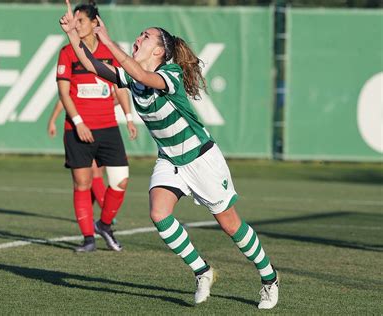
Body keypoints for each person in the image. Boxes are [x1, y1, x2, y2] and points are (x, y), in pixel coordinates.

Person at [59, 0, 279, 309]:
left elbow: (143, 76)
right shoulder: (132, 76)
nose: (139, 38)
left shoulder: (169, 74)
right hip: (170, 159)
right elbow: (96, 66)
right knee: (159, 214)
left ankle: (269, 278)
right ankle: (203, 271)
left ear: (160, 51)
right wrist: (74, 36)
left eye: (145, 36)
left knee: (230, 225)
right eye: (140, 34)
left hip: (201, 159)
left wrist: (108, 41)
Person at [56, 1, 137, 253]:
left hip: (108, 127)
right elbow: (64, 93)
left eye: (81, 21)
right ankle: (88, 239)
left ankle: (104, 224)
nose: (77, 25)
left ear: (95, 23)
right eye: (75, 21)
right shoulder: (67, 52)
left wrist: (129, 116)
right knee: (82, 183)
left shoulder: (108, 50)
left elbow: (120, 86)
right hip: (78, 129)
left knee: (121, 181)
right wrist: (78, 122)